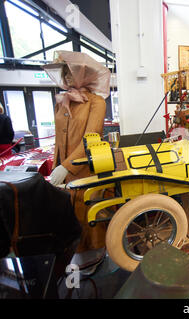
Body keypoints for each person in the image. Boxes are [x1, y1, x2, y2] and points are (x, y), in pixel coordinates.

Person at [42, 51, 111, 271]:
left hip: (86, 169)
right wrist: (56, 164)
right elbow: (58, 138)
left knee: (86, 211)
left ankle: (92, 257)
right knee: (66, 214)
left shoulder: (96, 102)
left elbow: (91, 138)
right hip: (63, 170)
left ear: (84, 74)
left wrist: (67, 166)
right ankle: (72, 255)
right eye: (64, 73)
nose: (67, 77)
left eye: (70, 72)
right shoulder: (63, 101)